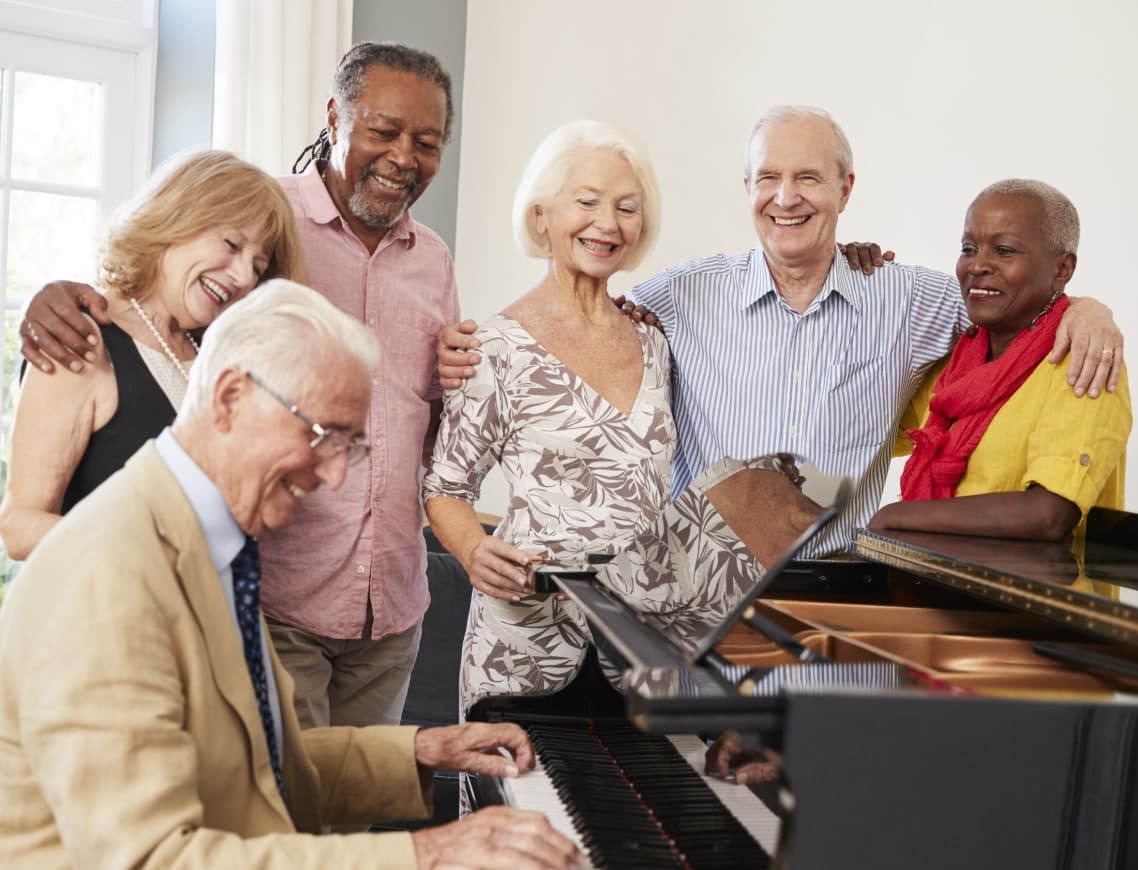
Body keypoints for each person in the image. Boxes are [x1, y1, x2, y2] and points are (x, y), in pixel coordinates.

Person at [0, 280, 579, 870]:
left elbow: (257, 767)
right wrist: (426, 851)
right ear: (229, 398)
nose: (333, 477)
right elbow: (153, 859)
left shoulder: (208, 542)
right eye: (324, 435)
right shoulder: (109, 574)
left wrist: (423, 749)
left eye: (350, 448)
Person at [438, 105, 1123, 560]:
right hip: (698, 616)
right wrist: (467, 348)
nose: (786, 197)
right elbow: (579, 314)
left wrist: (1091, 309)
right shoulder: (677, 296)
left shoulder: (912, 299)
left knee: (837, 782)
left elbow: (1008, 307)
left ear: (845, 189)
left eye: (808, 178)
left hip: (843, 616)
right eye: (768, 177)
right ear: (746, 187)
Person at [17, 42, 462, 731]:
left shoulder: (432, 260)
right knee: (271, 811)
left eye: (426, 141)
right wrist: (52, 294)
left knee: (355, 804)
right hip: (271, 603)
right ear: (335, 118)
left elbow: (425, 417)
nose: (404, 156)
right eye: (383, 131)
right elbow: (148, 280)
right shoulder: (264, 213)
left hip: (391, 605)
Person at [422, 120, 676, 714]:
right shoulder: (493, 349)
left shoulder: (655, 343)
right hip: (526, 644)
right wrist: (473, 553)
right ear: (542, 216)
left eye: (626, 207)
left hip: (642, 649)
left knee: (636, 803)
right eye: (585, 201)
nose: (607, 223)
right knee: (520, 804)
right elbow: (446, 488)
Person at [0, 149, 304, 561]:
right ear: (177, 218)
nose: (243, 276)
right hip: (102, 618)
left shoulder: (212, 360)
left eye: (258, 266)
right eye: (231, 244)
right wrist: (147, 541)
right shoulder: (82, 339)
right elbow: (18, 528)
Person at [869, 179, 1130, 539]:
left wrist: (896, 517)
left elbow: (1048, 514)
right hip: (931, 589)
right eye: (969, 248)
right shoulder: (952, 366)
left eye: (1004, 251)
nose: (978, 265)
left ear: (1062, 269)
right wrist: (857, 283)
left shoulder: (1084, 363)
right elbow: (861, 431)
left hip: (1029, 594)